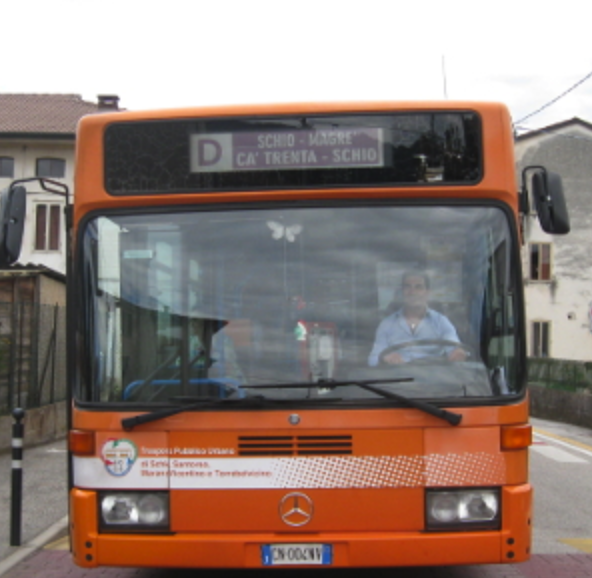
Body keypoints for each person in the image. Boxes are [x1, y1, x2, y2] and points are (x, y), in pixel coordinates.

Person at [368, 271, 467, 366]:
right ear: (402, 291)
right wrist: (385, 358)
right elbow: (372, 359)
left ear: (427, 292)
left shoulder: (441, 322)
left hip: (434, 378)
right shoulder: (387, 324)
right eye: (407, 287)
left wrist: (457, 353)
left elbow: (454, 348)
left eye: (418, 287)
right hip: (397, 378)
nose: (412, 292)